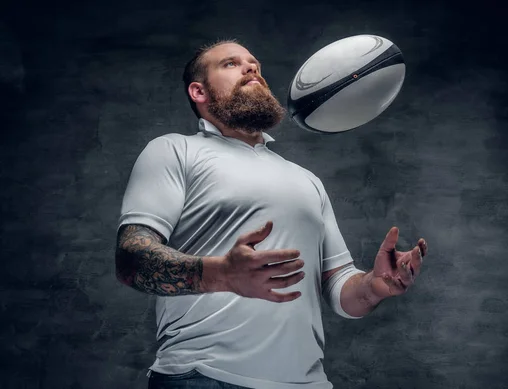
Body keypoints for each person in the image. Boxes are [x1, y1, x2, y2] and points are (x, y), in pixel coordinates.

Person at [115, 39, 429, 389]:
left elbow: (340, 290)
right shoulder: (175, 150)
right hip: (203, 376)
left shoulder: (306, 180)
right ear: (198, 91)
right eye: (231, 63)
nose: (252, 68)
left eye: (255, 64)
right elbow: (132, 260)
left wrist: (375, 285)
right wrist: (221, 274)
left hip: (309, 384)